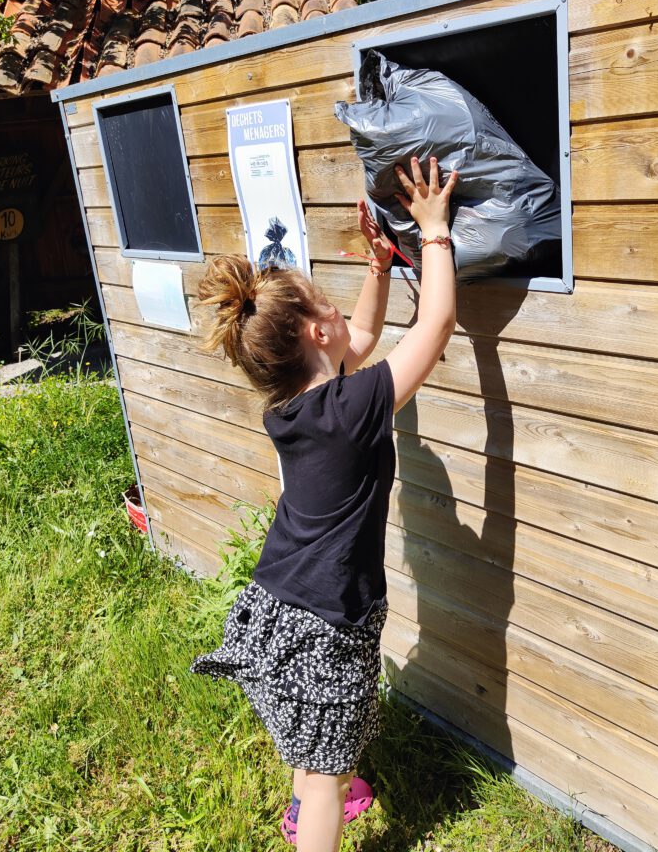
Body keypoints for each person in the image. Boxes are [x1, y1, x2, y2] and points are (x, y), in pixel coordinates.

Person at [189, 156, 458, 852]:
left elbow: (360, 343)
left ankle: (304, 803)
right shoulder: (349, 407)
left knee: (304, 726)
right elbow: (434, 328)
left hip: (274, 602)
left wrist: (376, 270)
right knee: (330, 778)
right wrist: (433, 234)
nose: (339, 311)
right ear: (314, 332)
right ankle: (316, 816)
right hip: (326, 622)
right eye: (325, 303)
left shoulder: (297, 407)